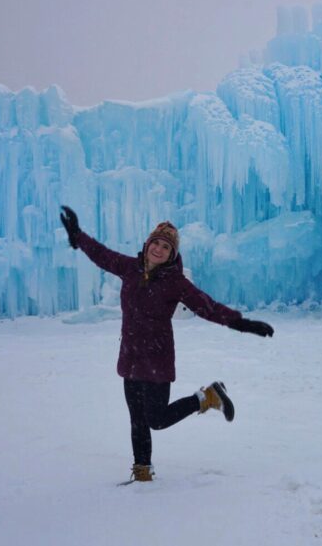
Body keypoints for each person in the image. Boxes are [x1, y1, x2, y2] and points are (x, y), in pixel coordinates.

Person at [59, 206, 273, 483]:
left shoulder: (176, 282)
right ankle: (142, 475)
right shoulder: (130, 268)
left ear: (172, 254)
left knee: (156, 419)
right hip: (130, 357)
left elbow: (207, 306)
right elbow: (102, 255)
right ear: (147, 245)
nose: (159, 249)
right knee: (137, 420)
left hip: (157, 358)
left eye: (166, 247)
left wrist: (240, 323)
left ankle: (207, 397)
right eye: (156, 243)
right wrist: (77, 235)